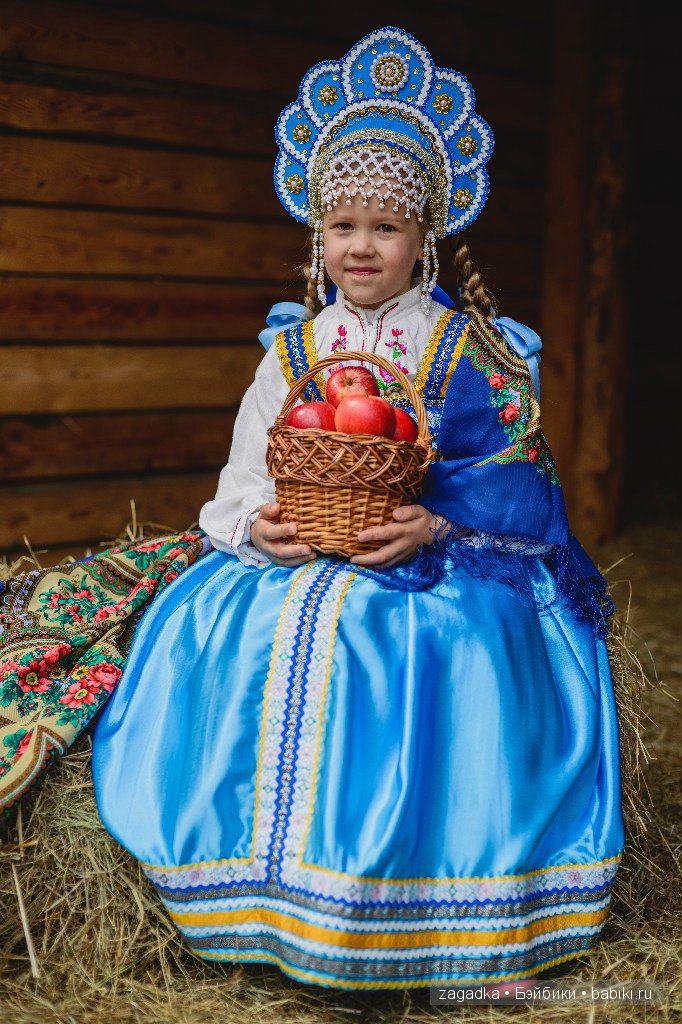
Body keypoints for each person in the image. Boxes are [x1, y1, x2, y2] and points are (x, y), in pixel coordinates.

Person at [90, 27, 624, 990]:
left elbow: (518, 485)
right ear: (317, 236)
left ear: (426, 236)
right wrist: (256, 524)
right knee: (232, 622)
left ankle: (438, 915)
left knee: (428, 642)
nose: (360, 248)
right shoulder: (290, 350)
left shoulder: (470, 351)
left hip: (441, 559)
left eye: (384, 227)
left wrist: (438, 526)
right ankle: (259, 905)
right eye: (342, 227)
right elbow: (244, 473)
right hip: (302, 548)